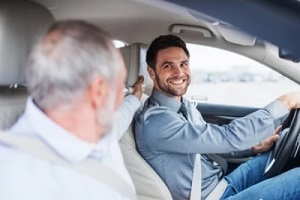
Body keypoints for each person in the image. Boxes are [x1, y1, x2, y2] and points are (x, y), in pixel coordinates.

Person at [134, 34, 300, 200]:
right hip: (212, 197)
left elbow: (210, 144)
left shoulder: (184, 106)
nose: (179, 73)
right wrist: (284, 102)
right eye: (168, 66)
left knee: (282, 159)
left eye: (183, 64)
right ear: (152, 72)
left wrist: (252, 149)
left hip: (223, 183)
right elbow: (227, 137)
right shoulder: (156, 121)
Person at [0, 20, 143, 200]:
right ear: (99, 90)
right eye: (120, 85)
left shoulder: (99, 131)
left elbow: (119, 118)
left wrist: (135, 98)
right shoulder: (16, 182)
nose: (121, 96)